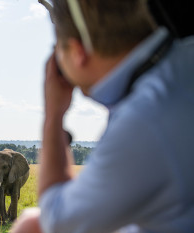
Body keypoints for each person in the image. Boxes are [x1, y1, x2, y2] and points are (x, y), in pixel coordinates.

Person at [10, 0, 194, 232]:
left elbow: (57, 221)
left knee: (31, 224)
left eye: (58, 50)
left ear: (78, 52)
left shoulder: (143, 121)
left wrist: (53, 117)